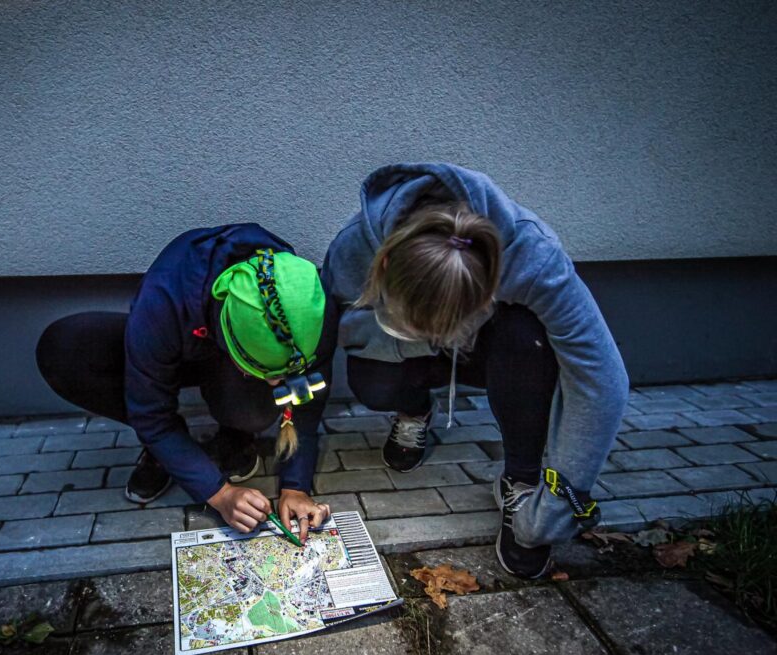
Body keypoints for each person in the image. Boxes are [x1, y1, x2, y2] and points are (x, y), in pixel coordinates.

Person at [322, 162, 628, 578]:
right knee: (372, 384)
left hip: (489, 351)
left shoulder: (534, 256)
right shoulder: (351, 249)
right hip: (400, 351)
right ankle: (414, 409)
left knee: (528, 335)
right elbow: (320, 335)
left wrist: (562, 497)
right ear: (386, 264)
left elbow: (600, 379)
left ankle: (521, 480)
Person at [36, 223, 336, 539]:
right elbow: (150, 414)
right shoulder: (163, 298)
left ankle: (235, 436)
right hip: (171, 346)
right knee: (64, 349)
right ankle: (169, 452)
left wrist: (295, 486)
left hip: (221, 357)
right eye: (263, 371)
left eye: (282, 374)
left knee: (252, 410)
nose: (277, 386)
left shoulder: (309, 299)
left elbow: (307, 401)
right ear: (225, 334)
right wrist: (220, 495)